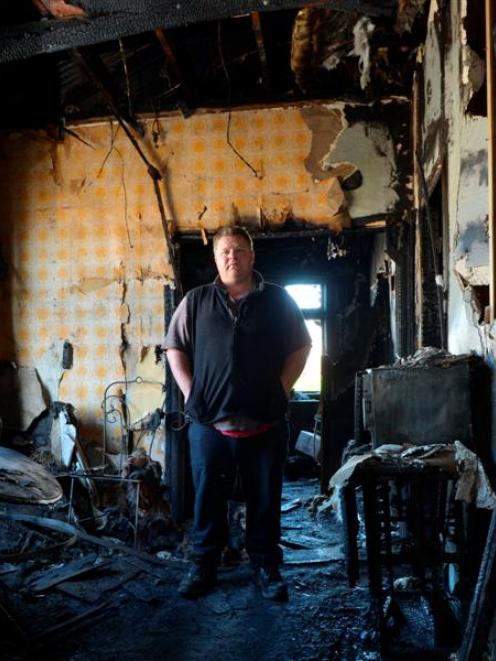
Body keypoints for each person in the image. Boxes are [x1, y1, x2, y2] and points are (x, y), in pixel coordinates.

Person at [164, 226, 311, 600]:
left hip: (265, 423)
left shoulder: (277, 300)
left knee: (265, 498)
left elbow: (301, 345)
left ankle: (266, 567)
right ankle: (204, 567)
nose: (233, 256)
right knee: (207, 498)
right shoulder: (196, 301)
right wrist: (190, 391)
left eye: (240, 250)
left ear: (252, 255)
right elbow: (174, 346)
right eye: (225, 251)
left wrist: (282, 388)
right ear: (216, 258)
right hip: (210, 425)